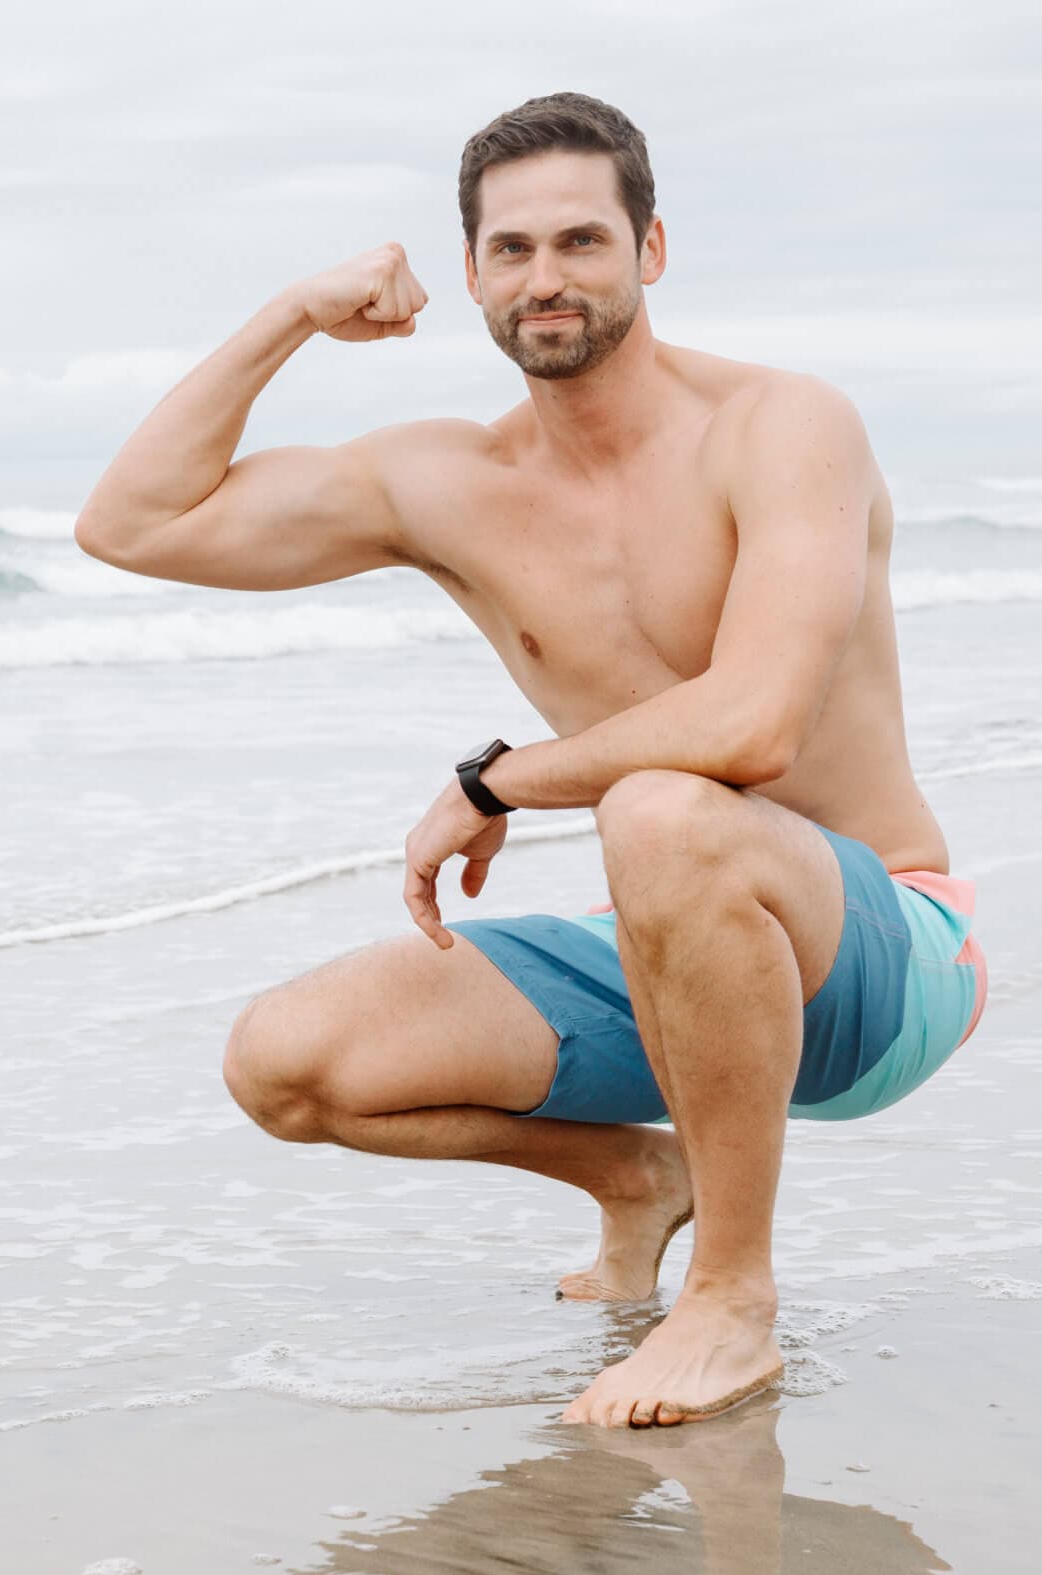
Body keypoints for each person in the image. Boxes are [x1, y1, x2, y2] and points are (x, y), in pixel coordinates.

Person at [74, 94, 985, 1428]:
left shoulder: (785, 427)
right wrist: (291, 315)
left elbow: (753, 728)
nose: (546, 279)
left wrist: (495, 779)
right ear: (474, 277)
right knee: (287, 1060)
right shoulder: (446, 482)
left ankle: (730, 1302)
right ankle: (637, 1180)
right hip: (677, 943)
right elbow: (131, 524)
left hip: (879, 950)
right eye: (512, 251)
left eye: (581, 241)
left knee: (665, 809)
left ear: (651, 249)